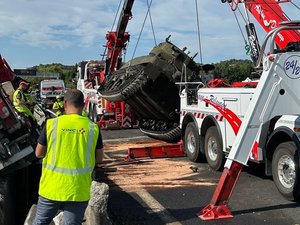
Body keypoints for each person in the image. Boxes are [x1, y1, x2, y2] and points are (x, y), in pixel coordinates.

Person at [33, 89, 104, 225]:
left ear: (65, 103)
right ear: (83, 105)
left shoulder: (51, 124)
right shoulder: (93, 128)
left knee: (40, 222)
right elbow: (99, 159)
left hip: (51, 187)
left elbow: (38, 153)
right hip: (78, 189)